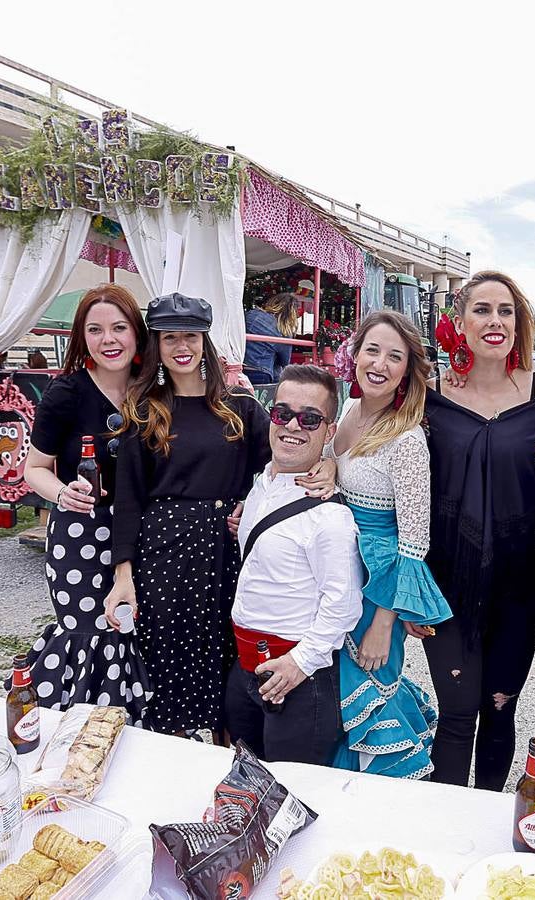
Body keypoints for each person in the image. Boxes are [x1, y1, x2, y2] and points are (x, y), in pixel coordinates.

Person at [104, 293, 333, 737]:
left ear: (204, 341)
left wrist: (330, 463)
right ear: (157, 346)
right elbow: (128, 499)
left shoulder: (240, 408)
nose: (180, 347)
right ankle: (172, 749)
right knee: (169, 654)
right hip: (164, 554)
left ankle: (229, 754)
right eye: (169, 338)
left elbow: (289, 455)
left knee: (227, 655)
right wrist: (123, 575)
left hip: (227, 551)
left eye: (190, 335)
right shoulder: (144, 411)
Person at [424, 271, 535, 790]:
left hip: (518, 584)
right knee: (456, 714)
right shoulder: (428, 394)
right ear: (459, 321)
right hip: (445, 582)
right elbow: (373, 444)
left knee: (501, 711)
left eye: (506, 311)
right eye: (482, 310)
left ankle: (488, 825)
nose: (495, 321)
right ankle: (450, 827)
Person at [329, 310, 452, 779]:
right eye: (372, 350)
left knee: (370, 686)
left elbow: (414, 541)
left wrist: (386, 621)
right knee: (334, 691)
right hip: (338, 566)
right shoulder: (347, 410)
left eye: (394, 356)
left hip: (378, 581)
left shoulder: (407, 438)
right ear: (355, 354)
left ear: (406, 370)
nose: (379, 363)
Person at [21, 284, 152, 725]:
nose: (108, 339)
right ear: (82, 337)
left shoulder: (155, 390)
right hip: (80, 533)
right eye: (95, 330)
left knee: (138, 632)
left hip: (141, 531)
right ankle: (78, 735)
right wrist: (61, 492)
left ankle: (138, 734)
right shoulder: (67, 393)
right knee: (90, 632)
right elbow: (33, 468)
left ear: (136, 333)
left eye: (119, 327)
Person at [226, 365, 363, 764]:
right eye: (282, 413)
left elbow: (342, 605)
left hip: (298, 679)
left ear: (329, 431)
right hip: (245, 666)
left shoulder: (329, 516)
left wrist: (299, 665)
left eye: (309, 418)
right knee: (243, 782)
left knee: (293, 797)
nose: (292, 426)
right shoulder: (259, 486)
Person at [243, 292, 302, 384]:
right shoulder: (283, 331)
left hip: (239, 367)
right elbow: (285, 361)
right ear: (292, 313)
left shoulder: (251, 315)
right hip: (261, 371)